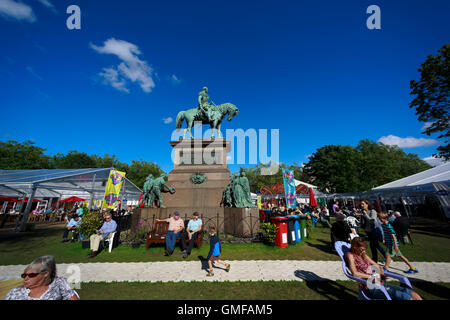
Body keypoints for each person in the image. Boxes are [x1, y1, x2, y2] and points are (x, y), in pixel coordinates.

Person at [345, 237, 422, 300]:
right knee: (404, 296)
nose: (363, 251)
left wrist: (380, 269)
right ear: (355, 247)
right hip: (370, 287)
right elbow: (354, 273)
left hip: (380, 284)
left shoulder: (363, 255)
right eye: (362, 249)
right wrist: (371, 277)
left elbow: (376, 265)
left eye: (364, 249)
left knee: (409, 291)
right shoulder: (350, 255)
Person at [4, 255, 79, 300]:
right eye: (24, 275)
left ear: (45, 274)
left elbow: (72, 297)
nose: (26, 278)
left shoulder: (58, 283)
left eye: (31, 275)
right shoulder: (14, 293)